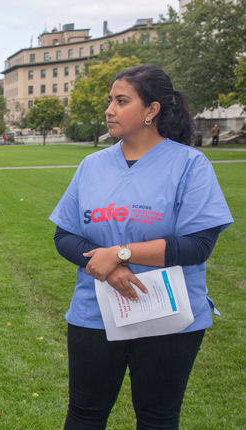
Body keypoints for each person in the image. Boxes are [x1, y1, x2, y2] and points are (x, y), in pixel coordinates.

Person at [50, 65, 232, 429]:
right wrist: (109, 267)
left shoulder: (190, 165)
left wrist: (122, 253)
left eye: (121, 101)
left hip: (168, 317)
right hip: (95, 313)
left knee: (157, 418)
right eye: (109, 101)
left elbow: (198, 245)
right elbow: (65, 236)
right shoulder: (92, 165)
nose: (109, 110)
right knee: (84, 415)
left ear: (151, 110)